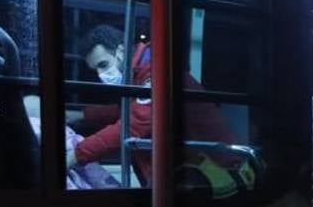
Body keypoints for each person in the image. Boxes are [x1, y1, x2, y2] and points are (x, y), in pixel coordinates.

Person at [71, 25, 236, 191]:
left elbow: (135, 124)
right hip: (192, 170)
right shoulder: (139, 74)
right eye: (96, 69)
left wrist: (76, 155)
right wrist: (80, 115)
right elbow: (129, 110)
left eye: (104, 64)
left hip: (212, 172)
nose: (101, 75)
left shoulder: (156, 72)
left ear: (121, 51)